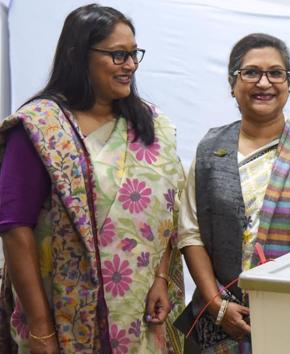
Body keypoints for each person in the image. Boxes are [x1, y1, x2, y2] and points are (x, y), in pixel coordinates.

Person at [0, 4, 185, 353]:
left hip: (139, 317)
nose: (130, 65)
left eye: (133, 54)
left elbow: (165, 213)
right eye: (118, 55)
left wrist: (161, 277)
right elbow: (14, 227)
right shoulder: (40, 127)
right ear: (77, 55)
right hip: (62, 319)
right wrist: (40, 328)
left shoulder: (152, 126)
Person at [176, 33, 290, 353]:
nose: (264, 83)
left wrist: (289, 309)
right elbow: (191, 234)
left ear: (289, 84)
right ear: (232, 84)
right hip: (219, 323)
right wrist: (217, 305)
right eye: (251, 72)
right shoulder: (210, 150)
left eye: (276, 73)